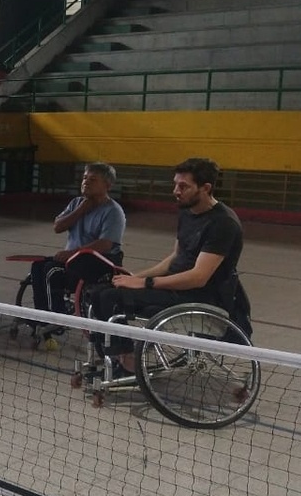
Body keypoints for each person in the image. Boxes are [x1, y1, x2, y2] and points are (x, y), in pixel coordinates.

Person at [92, 157, 246, 370]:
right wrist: (135, 277)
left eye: (183, 186)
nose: (176, 190)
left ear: (206, 188)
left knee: (111, 297)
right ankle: (117, 355)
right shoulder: (187, 211)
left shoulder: (223, 224)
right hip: (173, 287)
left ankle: (127, 363)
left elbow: (198, 277)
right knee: (100, 290)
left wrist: (146, 283)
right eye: (175, 184)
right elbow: (174, 258)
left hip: (198, 294)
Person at [29, 163, 126, 314]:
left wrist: (71, 254)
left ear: (107, 185)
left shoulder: (113, 211)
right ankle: (40, 315)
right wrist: (81, 210)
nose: (86, 182)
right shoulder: (76, 203)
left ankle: (56, 317)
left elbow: (105, 244)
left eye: (93, 180)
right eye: (84, 178)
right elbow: (58, 227)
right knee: (37, 266)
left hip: (98, 262)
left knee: (52, 270)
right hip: (74, 260)